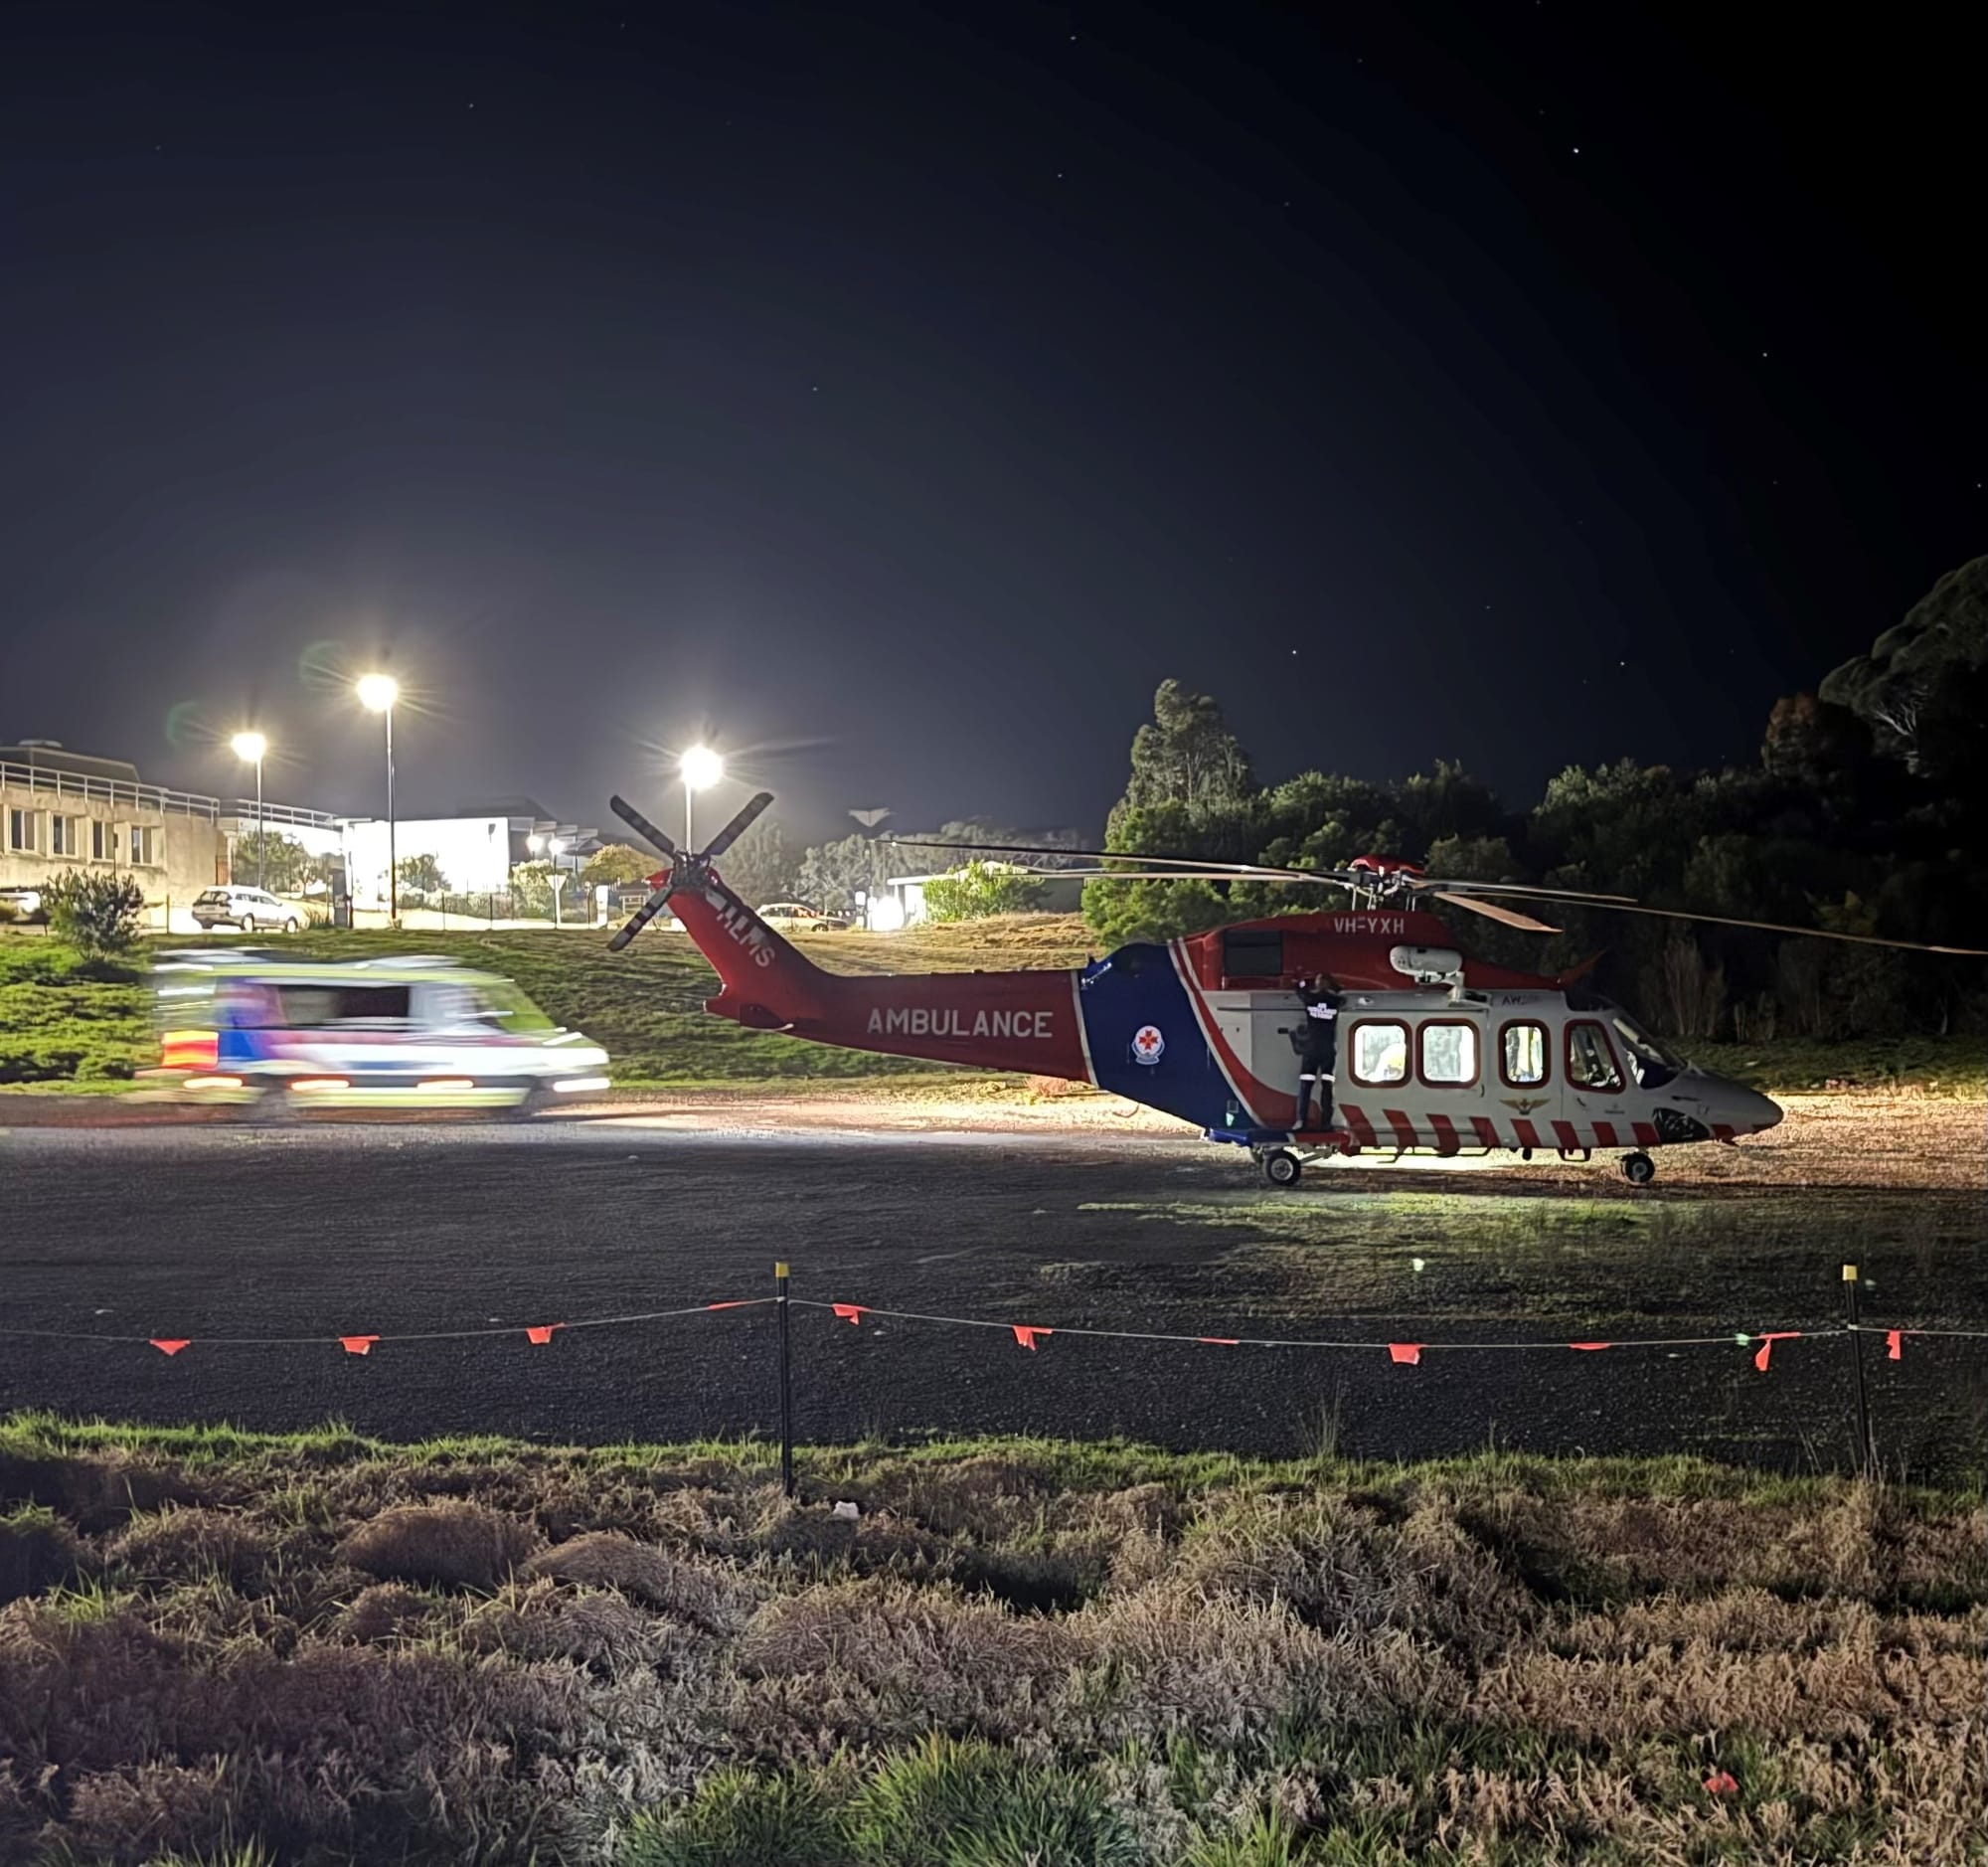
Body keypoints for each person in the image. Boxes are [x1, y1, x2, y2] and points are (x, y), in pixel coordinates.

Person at [1289, 974, 1342, 1130]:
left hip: (1312, 1050)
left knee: (1306, 1086)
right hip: (1327, 1050)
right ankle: (1326, 1123)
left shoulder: (1310, 998)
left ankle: (1301, 1121)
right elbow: (1342, 994)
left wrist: (1305, 978)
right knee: (1327, 1087)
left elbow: (1298, 989)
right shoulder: (1335, 1001)